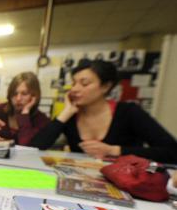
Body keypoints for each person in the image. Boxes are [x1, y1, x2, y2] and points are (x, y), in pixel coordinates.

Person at [30, 60, 177, 163]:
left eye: (84, 83)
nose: (74, 89)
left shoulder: (128, 112)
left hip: (124, 183)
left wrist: (114, 150)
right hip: (82, 181)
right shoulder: (71, 115)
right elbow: (35, 148)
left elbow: (172, 152)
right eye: (74, 83)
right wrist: (66, 112)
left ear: (106, 87)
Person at [0, 72, 50, 145]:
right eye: (14, 94)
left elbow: (26, 145)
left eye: (24, 94)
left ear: (34, 96)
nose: (18, 98)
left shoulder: (41, 120)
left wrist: (25, 114)